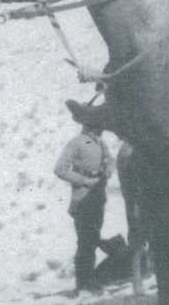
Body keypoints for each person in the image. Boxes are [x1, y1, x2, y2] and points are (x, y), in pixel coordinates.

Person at [54, 105, 114, 295]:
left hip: (98, 197)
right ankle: (83, 284)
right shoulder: (77, 143)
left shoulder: (100, 142)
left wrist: (108, 169)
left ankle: (89, 280)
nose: (102, 127)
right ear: (90, 124)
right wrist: (84, 181)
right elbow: (60, 169)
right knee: (86, 242)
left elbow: (110, 159)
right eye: (99, 124)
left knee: (92, 238)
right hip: (82, 198)